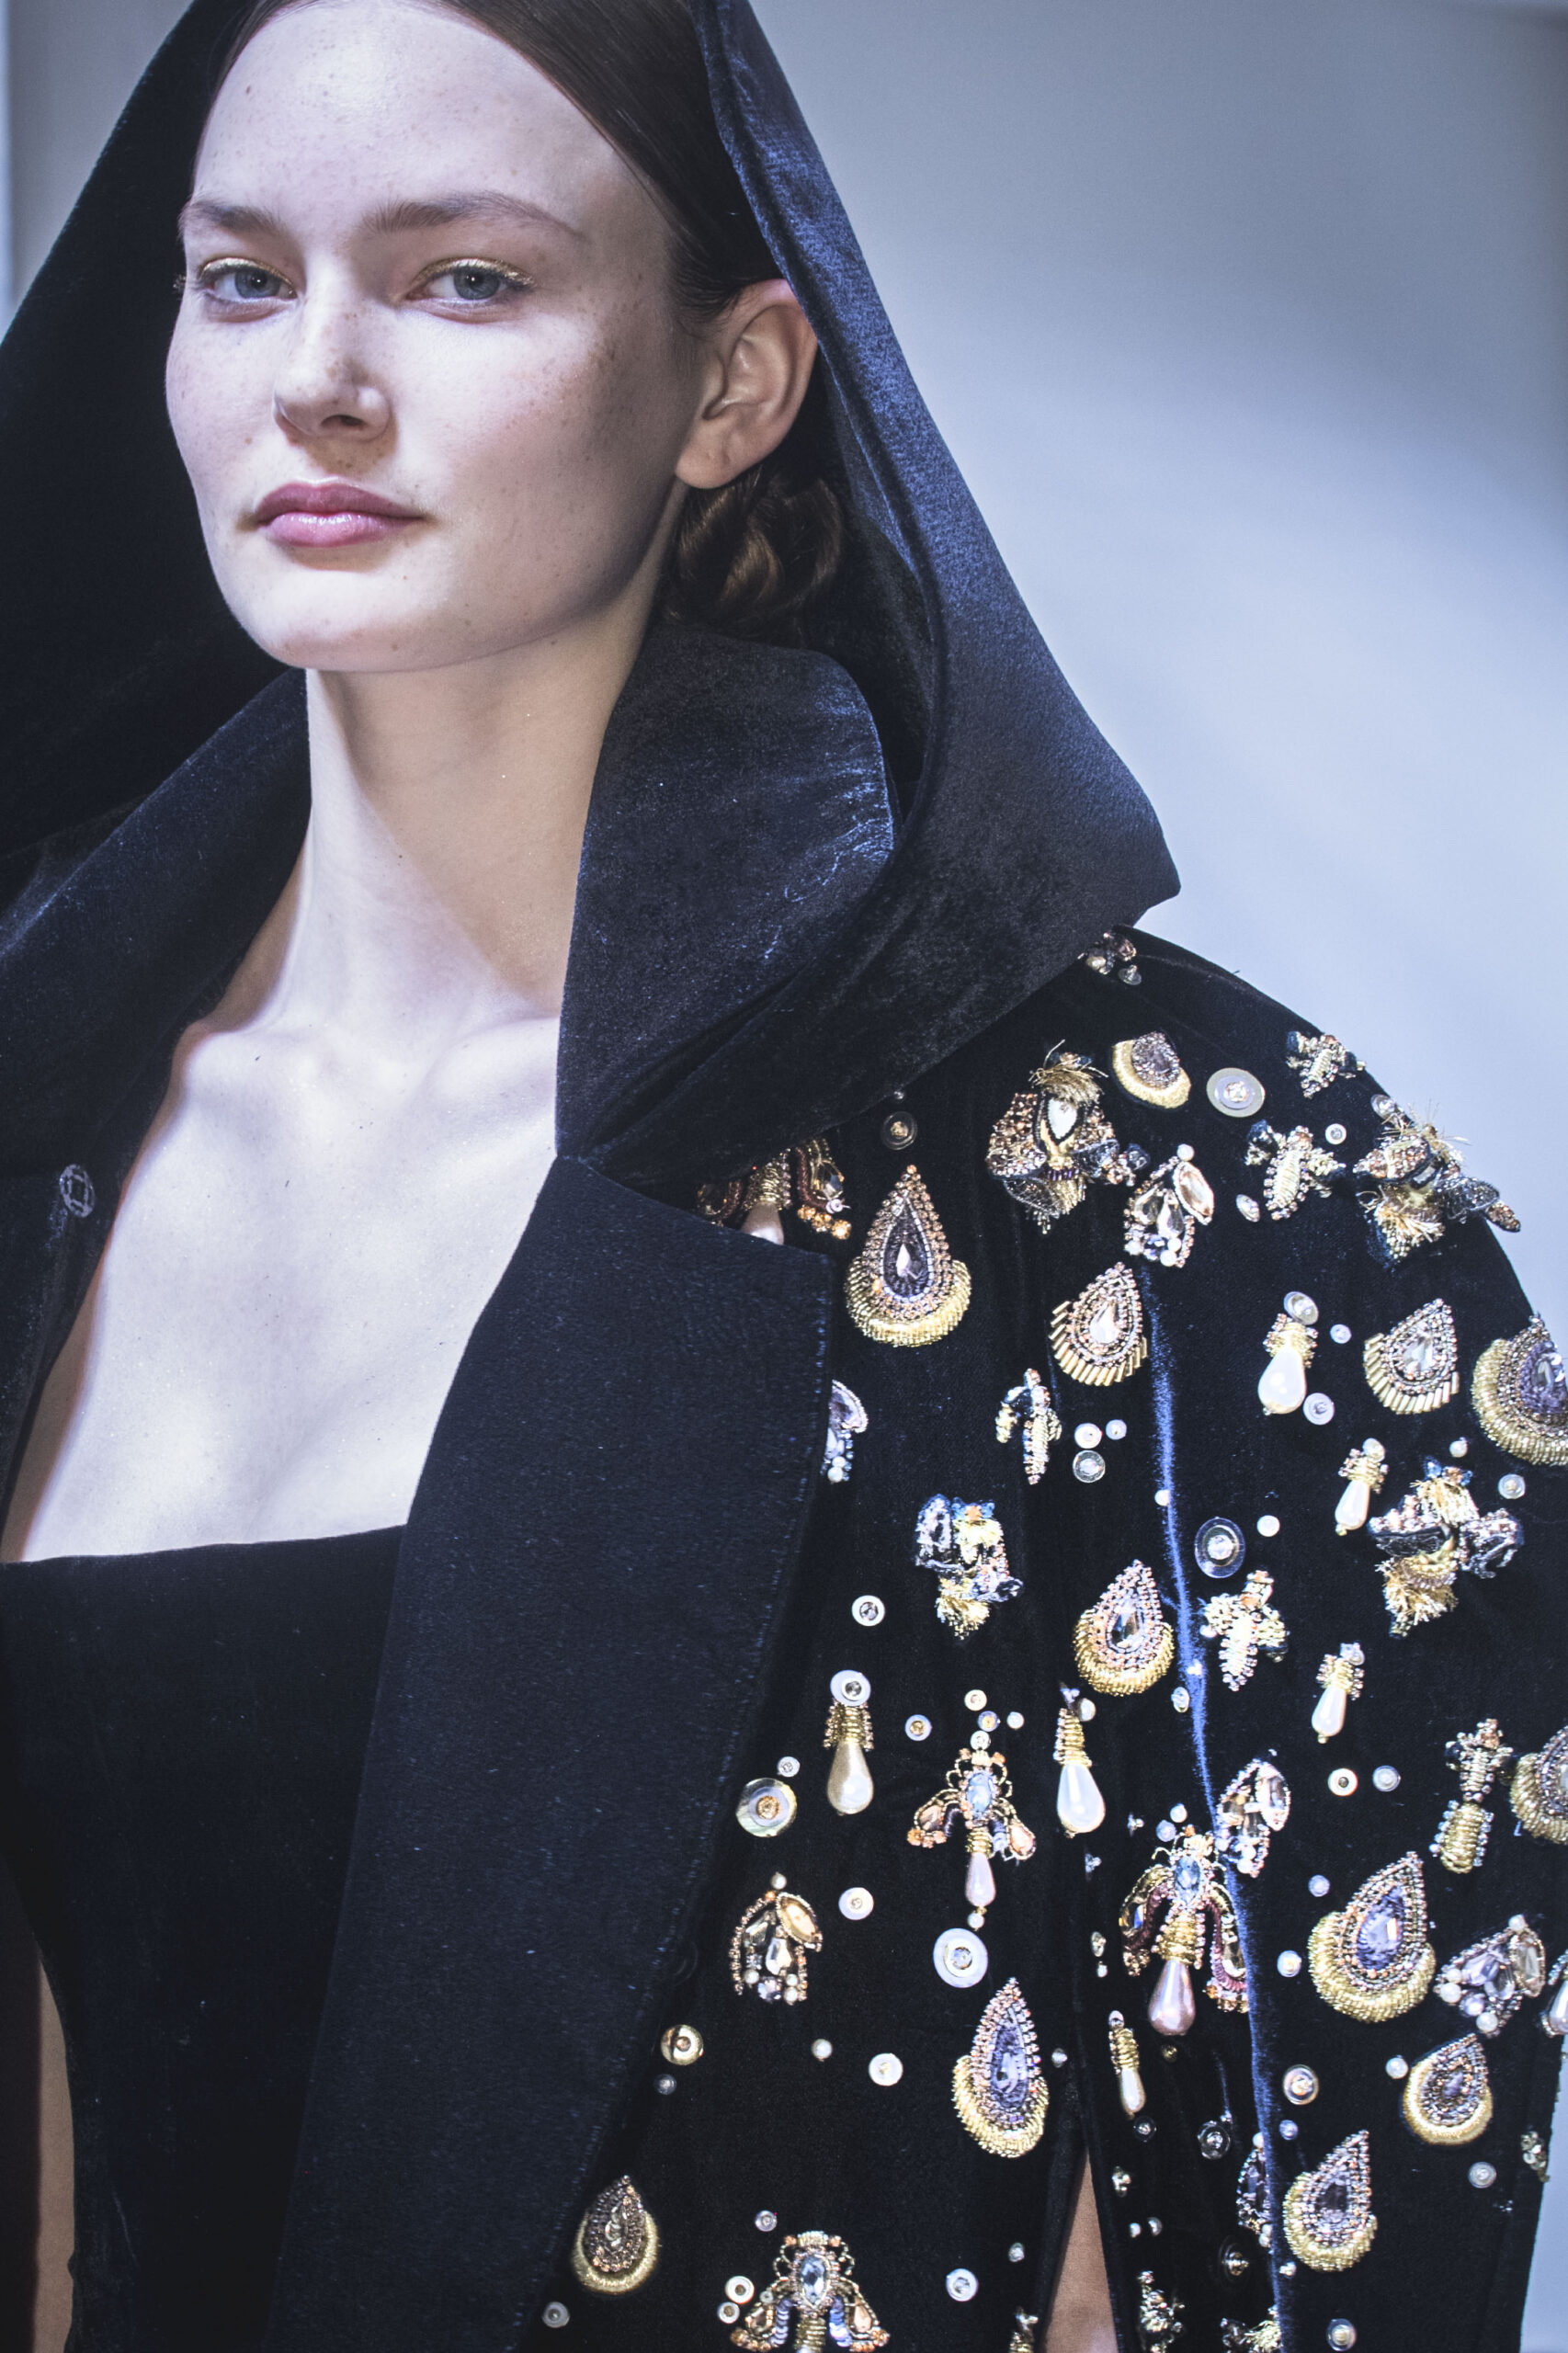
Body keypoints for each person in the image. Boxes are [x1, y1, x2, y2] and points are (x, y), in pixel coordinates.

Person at [0, 1, 1562, 2348]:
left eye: (462, 279)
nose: (315, 378)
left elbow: (1253, 2206)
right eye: (240, 277)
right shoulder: (51, 1117)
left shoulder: (1157, 1194)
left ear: (733, 381)